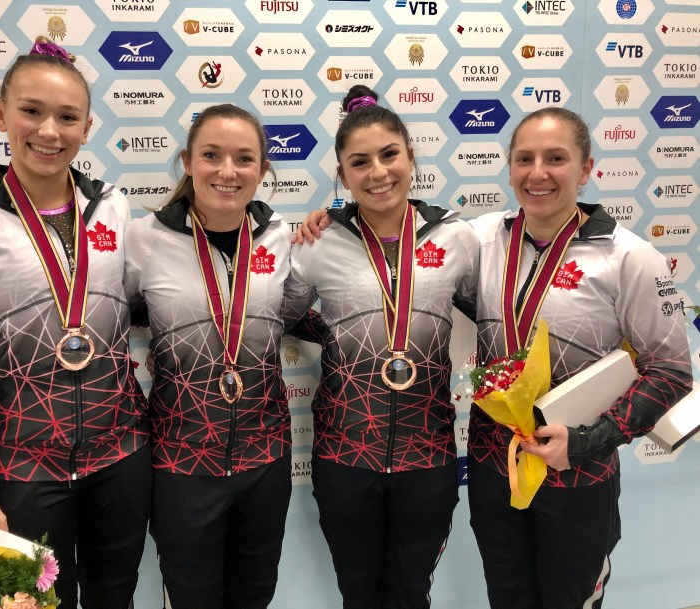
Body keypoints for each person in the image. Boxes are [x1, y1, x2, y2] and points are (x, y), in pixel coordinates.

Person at [0, 37, 151, 609]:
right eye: (31, 111)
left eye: (67, 117)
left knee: (114, 595)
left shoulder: (113, 208)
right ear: (0, 113)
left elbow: (136, 308)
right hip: (20, 461)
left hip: (120, 453)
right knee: (28, 605)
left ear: (87, 126)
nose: (49, 131)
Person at [465, 106, 692, 609]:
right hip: (494, 467)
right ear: (509, 169)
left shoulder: (628, 257)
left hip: (579, 475)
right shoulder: (481, 240)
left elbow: (672, 371)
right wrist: (335, 215)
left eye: (556, 158)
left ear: (586, 169)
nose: (537, 172)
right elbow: (407, 244)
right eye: (524, 158)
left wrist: (588, 441)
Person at [282, 85, 478, 609]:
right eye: (359, 162)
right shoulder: (318, 242)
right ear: (343, 176)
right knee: (359, 592)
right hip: (345, 455)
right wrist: (337, 337)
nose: (378, 172)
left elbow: (497, 313)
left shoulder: (454, 237)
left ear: (411, 156)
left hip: (428, 454)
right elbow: (280, 313)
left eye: (390, 155)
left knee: (412, 591)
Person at [123, 103, 293, 609]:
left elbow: (303, 309)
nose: (227, 171)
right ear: (187, 161)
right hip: (181, 459)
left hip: (265, 457)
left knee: (256, 594)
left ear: (263, 171)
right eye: (212, 155)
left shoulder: (282, 237)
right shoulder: (144, 239)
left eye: (244, 159)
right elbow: (100, 310)